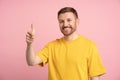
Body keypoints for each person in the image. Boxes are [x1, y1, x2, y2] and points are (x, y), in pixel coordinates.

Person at [26, 7, 106, 80]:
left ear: (77, 22)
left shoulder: (90, 46)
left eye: (69, 20)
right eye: (61, 21)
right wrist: (29, 44)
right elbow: (31, 61)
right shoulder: (51, 46)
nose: (65, 24)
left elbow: (95, 77)